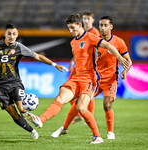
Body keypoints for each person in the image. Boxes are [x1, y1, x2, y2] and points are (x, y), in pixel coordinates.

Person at [26, 14, 129, 144]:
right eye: (69, 28)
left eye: (73, 28)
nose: (71, 31)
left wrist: (119, 58)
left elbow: (109, 46)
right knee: (60, 98)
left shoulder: (91, 37)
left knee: (81, 108)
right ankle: (40, 119)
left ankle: (97, 136)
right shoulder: (73, 42)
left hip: (90, 79)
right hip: (76, 77)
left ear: (80, 26)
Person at [0, 23, 68, 139]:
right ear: (5, 34)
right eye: (9, 34)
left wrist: (54, 64)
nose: (11, 36)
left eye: (14, 34)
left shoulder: (19, 47)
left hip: (14, 83)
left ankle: (36, 119)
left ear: (17, 35)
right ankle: (32, 131)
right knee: (13, 113)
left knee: (21, 108)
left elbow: (37, 56)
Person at [68, 11, 101, 124]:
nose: (86, 20)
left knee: (86, 92)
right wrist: (73, 61)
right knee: (69, 88)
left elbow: (97, 49)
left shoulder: (94, 33)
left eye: (88, 18)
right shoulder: (80, 33)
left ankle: (85, 114)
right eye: (84, 18)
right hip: (78, 66)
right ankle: (80, 113)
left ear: (92, 20)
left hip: (88, 68)